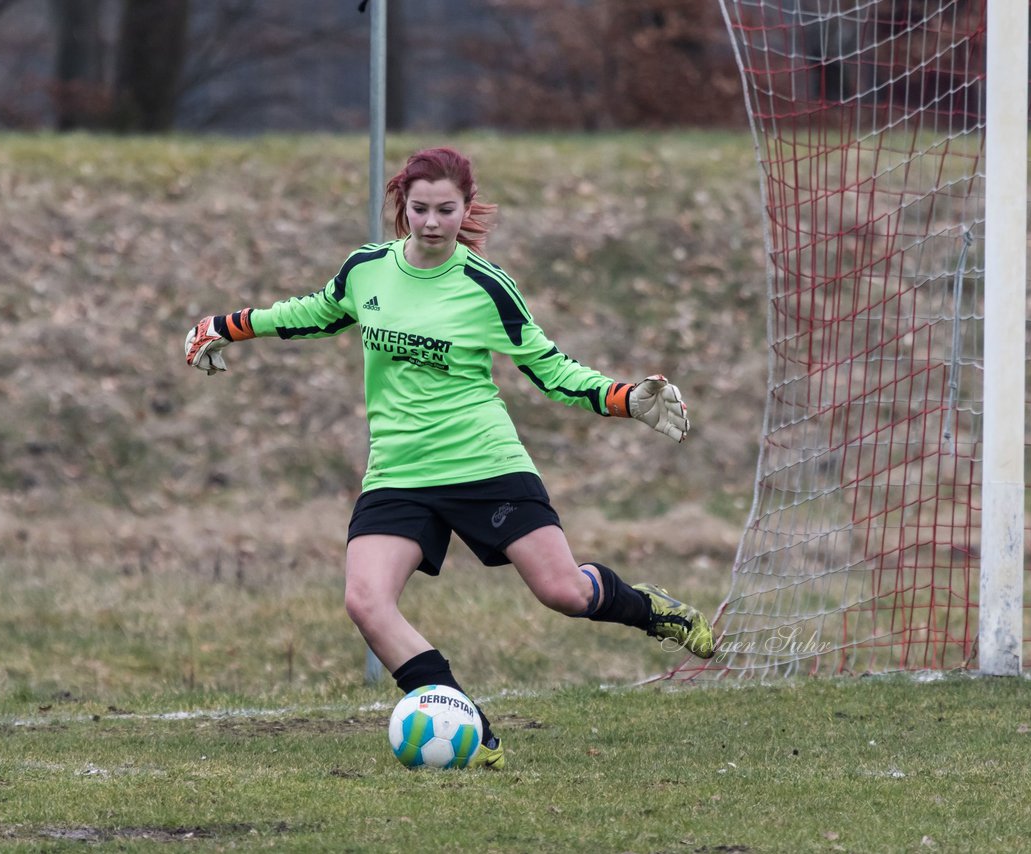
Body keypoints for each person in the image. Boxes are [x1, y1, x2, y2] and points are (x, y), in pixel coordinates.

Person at [184, 146, 715, 770]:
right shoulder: (366, 271)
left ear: (466, 210)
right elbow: (315, 313)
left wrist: (621, 398)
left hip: (484, 464)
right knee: (366, 601)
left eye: (446, 210)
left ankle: (652, 609)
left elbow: (549, 369)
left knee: (564, 592)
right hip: (399, 474)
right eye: (419, 209)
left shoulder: (485, 287)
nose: (432, 222)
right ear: (400, 207)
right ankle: (470, 728)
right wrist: (230, 325)